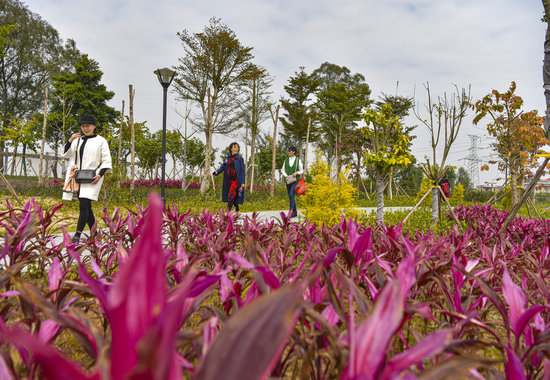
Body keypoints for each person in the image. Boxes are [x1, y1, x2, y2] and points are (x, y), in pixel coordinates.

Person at [62, 114, 112, 243]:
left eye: (88, 126)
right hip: (78, 177)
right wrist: (70, 139)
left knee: (84, 204)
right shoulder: (78, 140)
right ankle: (94, 234)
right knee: (86, 206)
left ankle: (77, 235)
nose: (86, 128)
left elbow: (106, 160)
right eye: (83, 126)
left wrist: (100, 174)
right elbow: (66, 153)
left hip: (93, 177)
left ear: (94, 126)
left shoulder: (101, 141)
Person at [213, 142, 246, 212]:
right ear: (231, 149)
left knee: (231, 197)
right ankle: (237, 210)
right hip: (228, 181)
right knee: (234, 196)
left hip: (236, 181)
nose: (236, 149)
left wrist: (243, 182)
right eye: (234, 147)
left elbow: (243, 171)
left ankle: (227, 215)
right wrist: (216, 172)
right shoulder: (227, 158)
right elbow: (222, 167)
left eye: (237, 148)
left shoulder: (240, 158)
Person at [281, 146, 303, 218]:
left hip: (295, 180)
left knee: (291, 194)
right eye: (288, 151)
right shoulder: (286, 160)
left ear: (294, 152)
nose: (289, 152)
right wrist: (286, 176)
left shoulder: (298, 160)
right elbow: (282, 170)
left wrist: (296, 173)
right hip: (288, 180)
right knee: (291, 196)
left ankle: (290, 212)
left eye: (290, 151)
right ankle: (295, 212)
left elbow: (302, 170)